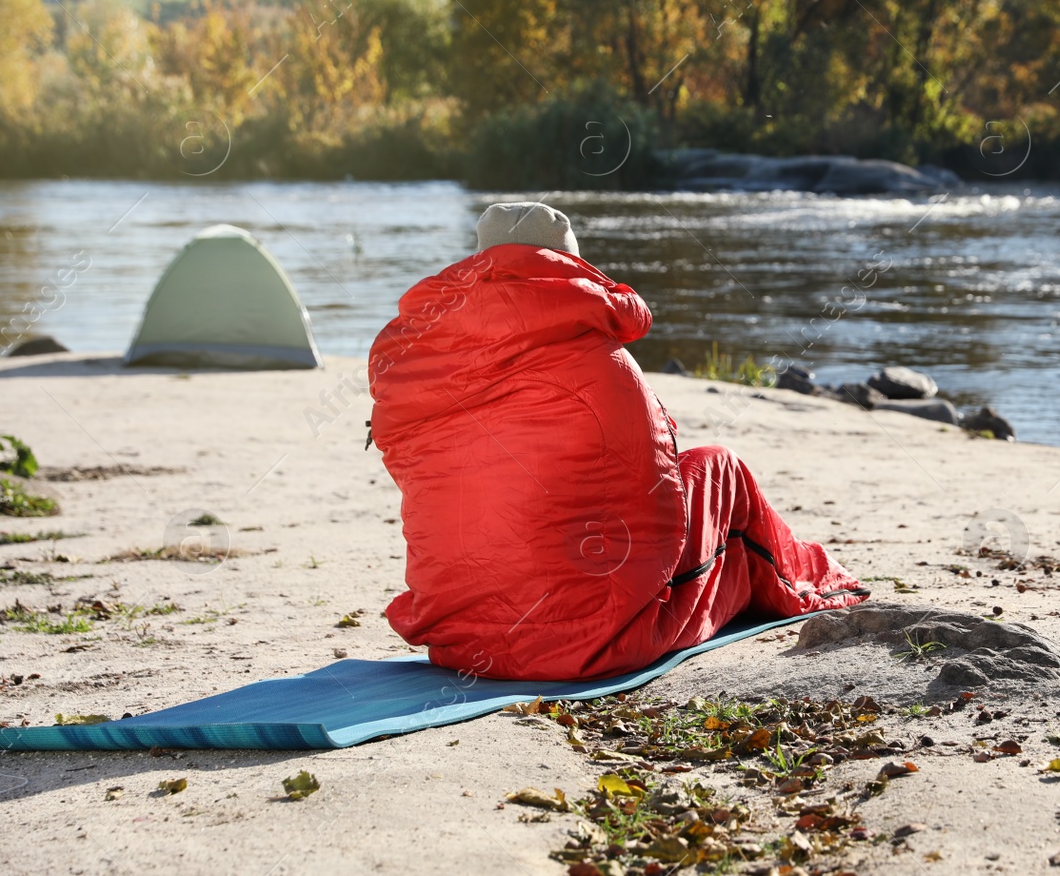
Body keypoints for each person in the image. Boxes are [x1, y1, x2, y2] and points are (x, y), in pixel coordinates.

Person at [367, 201, 868, 680]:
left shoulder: (414, 363)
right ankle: (807, 580)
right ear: (570, 265)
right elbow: (655, 485)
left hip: (459, 640)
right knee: (720, 467)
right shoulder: (600, 360)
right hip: (588, 641)